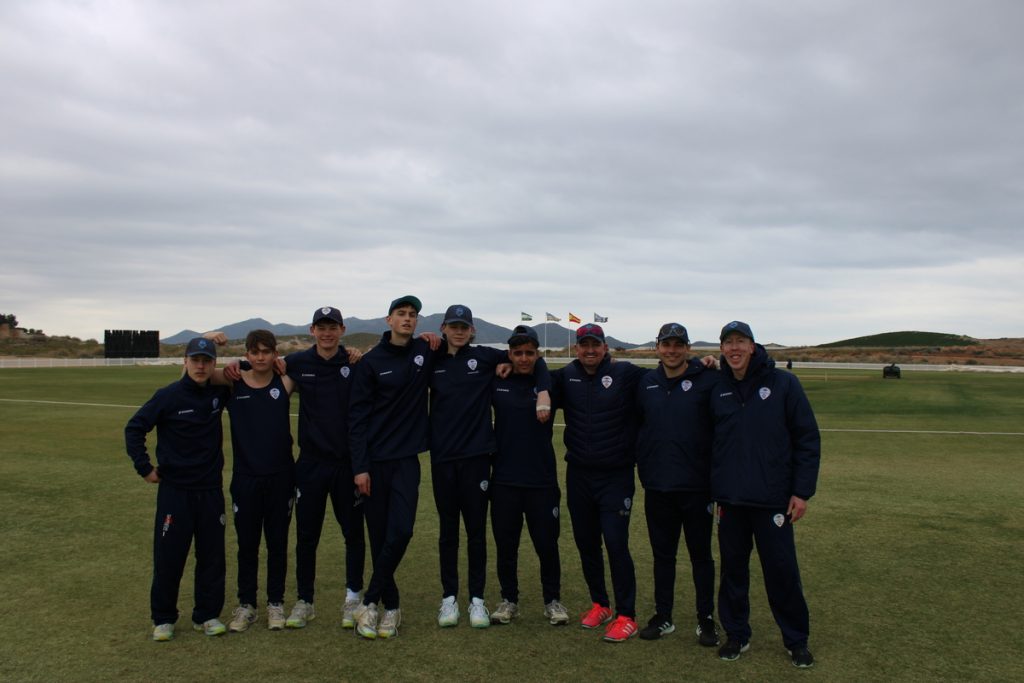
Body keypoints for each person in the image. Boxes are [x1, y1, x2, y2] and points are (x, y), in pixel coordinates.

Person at [429, 305, 551, 629]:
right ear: (443, 328)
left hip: (478, 458)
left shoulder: (484, 357)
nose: (458, 331)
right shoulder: (432, 358)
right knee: (447, 532)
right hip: (442, 458)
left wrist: (543, 394)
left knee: (476, 531)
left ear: (472, 330)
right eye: (453, 325)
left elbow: (535, 363)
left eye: (464, 326)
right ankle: (449, 599)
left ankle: (478, 600)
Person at [711, 321, 821, 668]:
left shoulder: (783, 383)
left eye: (740, 342)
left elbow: (807, 439)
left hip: (772, 499)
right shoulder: (715, 387)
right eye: (728, 343)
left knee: (782, 571)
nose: (735, 349)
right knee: (733, 573)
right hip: (730, 500)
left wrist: (801, 492)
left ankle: (796, 640)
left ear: (753, 347)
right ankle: (737, 635)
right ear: (722, 350)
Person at [124, 337, 231, 642]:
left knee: (212, 557)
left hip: (210, 491)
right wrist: (145, 468)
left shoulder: (218, 393)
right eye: (195, 360)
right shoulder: (168, 396)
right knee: (169, 556)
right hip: (176, 492)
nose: (200, 366)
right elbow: (134, 428)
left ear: (213, 365)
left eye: (206, 361)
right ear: (185, 362)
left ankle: (207, 615)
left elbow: (248, 368)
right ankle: (163, 618)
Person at [550, 323, 646, 642]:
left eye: (596, 344)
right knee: (586, 543)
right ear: (577, 348)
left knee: (616, 544)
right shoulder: (566, 376)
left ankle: (626, 614)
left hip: (615, 476)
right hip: (578, 474)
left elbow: (666, 375)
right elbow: (535, 379)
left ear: (605, 347)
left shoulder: (626, 373)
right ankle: (600, 604)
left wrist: (705, 363)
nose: (590, 350)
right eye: (584, 344)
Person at [348, 295, 437, 640]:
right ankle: (392, 607)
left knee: (401, 532)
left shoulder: (426, 351)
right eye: (401, 314)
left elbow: (460, 349)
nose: (408, 319)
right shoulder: (371, 362)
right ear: (388, 320)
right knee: (379, 536)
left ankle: (370, 600)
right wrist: (360, 467)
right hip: (373, 463)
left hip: (406, 461)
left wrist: (436, 338)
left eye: (413, 315)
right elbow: (356, 419)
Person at [634, 323, 719, 646]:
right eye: (666, 345)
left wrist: (713, 362)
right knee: (662, 555)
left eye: (677, 345)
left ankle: (706, 619)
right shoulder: (646, 382)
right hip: (657, 485)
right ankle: (664, 615)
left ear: (687, 348)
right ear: (657, 347)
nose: (671, 350)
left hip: (697, 488)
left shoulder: (707, 379)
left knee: (701, 556)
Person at [280, 307, 366, 629]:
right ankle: (305, 601)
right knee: (306, 536)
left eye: (333, 327)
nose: (327, 333)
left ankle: (353, 598)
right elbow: (268, 382)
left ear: (342, 329)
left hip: (347, 465)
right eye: (321, 327)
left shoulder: (354, 362)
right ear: (312, 329)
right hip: (311, 465)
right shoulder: (298, 363)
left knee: (353, 534)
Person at [488, 325, 568, 626]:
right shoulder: (497, 380)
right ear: (509, 354)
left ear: (538, 354)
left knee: (547, 545)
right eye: (517, 353)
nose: (523, 358)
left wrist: (544, 386)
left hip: (542, 481)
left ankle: (552, 601)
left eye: (529, 353)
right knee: (506, 546)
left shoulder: (552, 383)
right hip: (505, 480)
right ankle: (509, 600)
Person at [221, 330, 296, 632]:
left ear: (275, 354)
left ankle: (275, 604)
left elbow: (318, 363)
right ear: (248, 354)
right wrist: (232, 360)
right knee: (247, 546)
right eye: (255, 352)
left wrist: (354, 354)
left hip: (281, 478)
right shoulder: (232, 383)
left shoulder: (286, 382)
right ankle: (246, 605)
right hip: (246, 479)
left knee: (277, 544)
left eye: (267, 352)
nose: (261, 357)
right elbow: (190, 371)